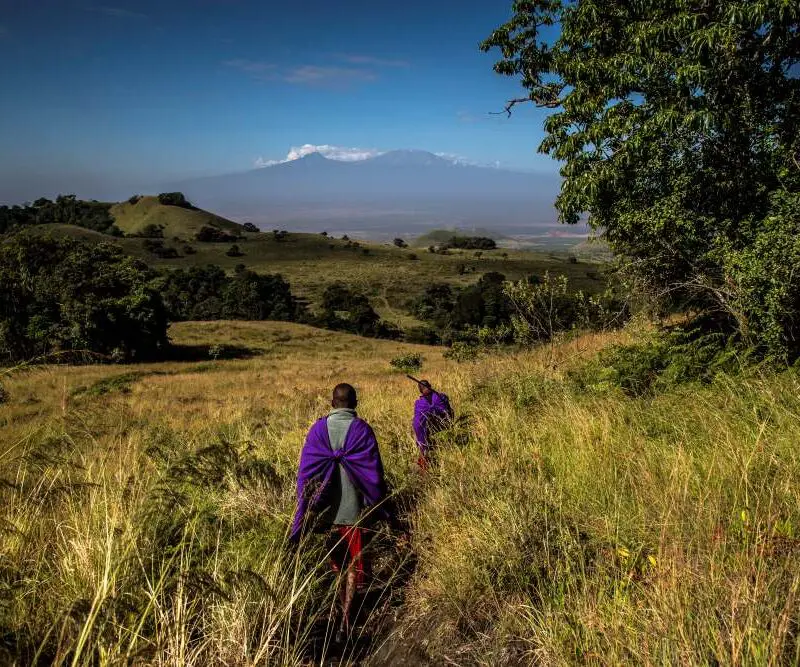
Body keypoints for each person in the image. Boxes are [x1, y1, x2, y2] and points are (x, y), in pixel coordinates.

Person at [290, 383, 390, 643]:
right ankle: (346, 619)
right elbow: (374, 474)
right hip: (354, 511)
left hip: (326, 514)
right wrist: (378, 502)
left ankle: (338, 614)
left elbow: (305, 474)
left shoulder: (317, 431)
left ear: (332, 402)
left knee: (338, 567)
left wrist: (309, 507)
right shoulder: (362, 430)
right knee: (354, 567)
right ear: (354, 402)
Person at [412, 379, 454, 471]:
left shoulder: (420, 403)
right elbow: (449, 411)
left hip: (430, 434)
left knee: (425, 450)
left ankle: (424, 459)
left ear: (420, 390)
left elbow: (417, 425)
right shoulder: (440, 397)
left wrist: (421, 443)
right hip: (443, 429)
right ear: (430, 386)